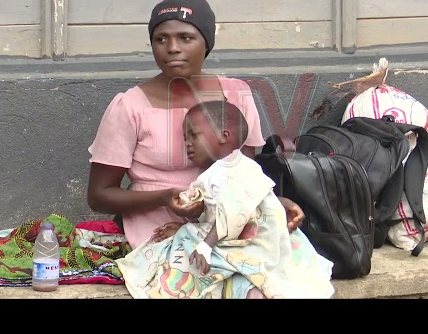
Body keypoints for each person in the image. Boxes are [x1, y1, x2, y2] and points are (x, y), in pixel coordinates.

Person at [86, 0, 309, 296]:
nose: (172, 48)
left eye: (186, 37)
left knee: (278, 282)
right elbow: (99, 196)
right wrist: (164, 197)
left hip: (227, 226)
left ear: (206, 42)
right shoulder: (130, 106)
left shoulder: (236, 96)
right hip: (160, 231)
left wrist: (271, 202)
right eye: (160, 39)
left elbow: (243, 176)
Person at [114, 100, 334, 298]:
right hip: (228, 234)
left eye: (194, 135)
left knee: (201, 257)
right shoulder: (213, 172)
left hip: (252, 241)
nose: (187, 143)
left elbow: (233, 213)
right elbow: (208, 209)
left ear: (224, 136)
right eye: (184, 138)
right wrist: (190, 211)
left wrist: (204, 246)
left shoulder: (239, 167)